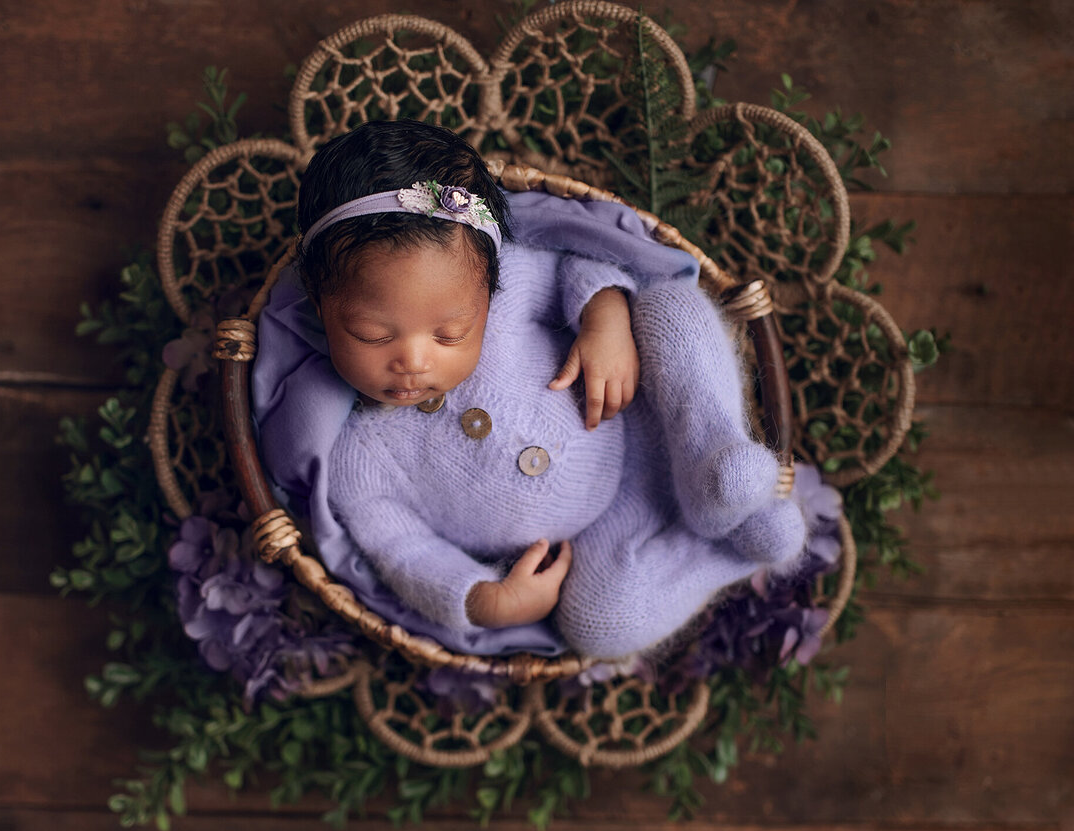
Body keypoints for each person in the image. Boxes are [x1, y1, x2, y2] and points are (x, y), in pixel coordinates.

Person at [253, 120, 807, 660]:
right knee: (597, 624)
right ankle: (725, 546)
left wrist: (603, 316)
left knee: (667, 309)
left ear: (487, 289)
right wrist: (479, 597)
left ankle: (714, 458)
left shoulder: (502, 286)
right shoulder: (356, 457)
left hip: (651, 417)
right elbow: (401, 551)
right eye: (371, 335)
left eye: (451, 333)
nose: (413, 361)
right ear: (320, 306)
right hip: (597, 533)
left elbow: (573, 267)